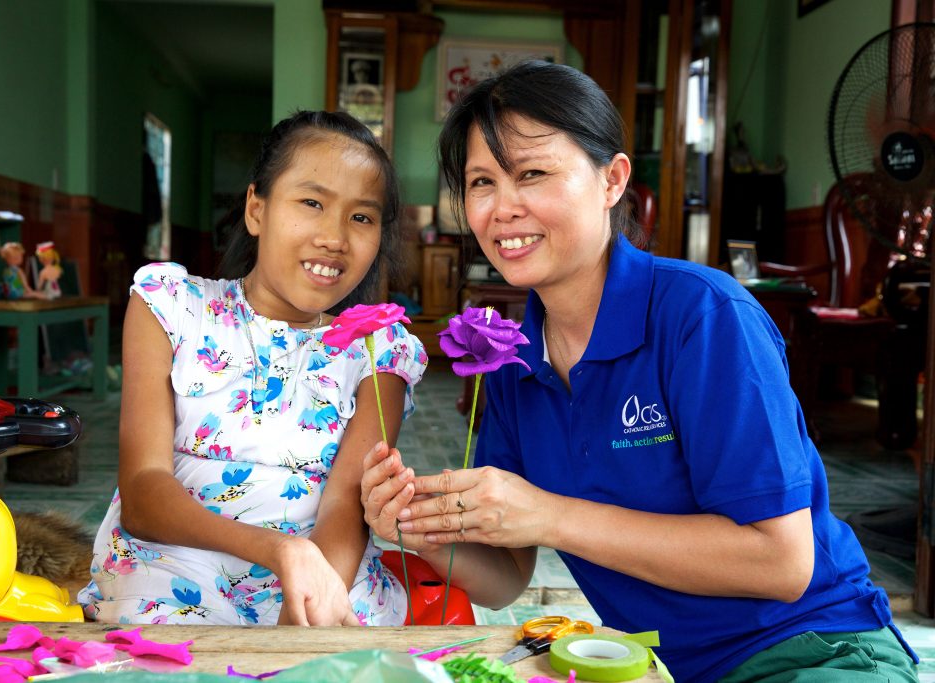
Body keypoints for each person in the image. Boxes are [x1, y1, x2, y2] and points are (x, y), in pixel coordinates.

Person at [361, 61, 919, 682]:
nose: (502, 208)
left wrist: (548, 513)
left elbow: (783, 564)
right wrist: (423, 529)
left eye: (534, 173)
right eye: (481, 182)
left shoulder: (704, 317)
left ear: (612, 180)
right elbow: (506, 576)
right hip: (651, 667)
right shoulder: (514, 360)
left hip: (809, 651)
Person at [80, 110, 427, 627]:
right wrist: (280, 551)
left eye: (362, 217)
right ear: (256, 210)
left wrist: (305, 610)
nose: (335, 236)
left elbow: (343, 510)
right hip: (173, 559)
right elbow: (144, 494)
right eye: (312, 203)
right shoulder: (171, 306)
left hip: (324, 569)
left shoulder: (379, 351)